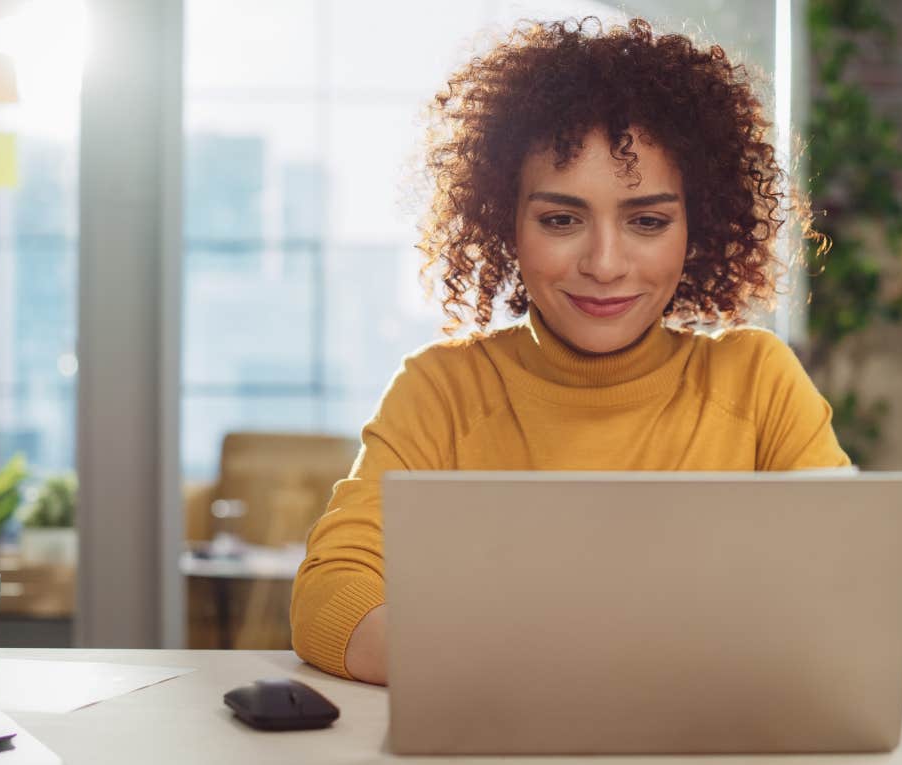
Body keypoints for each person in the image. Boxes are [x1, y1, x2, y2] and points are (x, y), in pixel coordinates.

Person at [290, 17, 850, 686]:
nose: (605, 264)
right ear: (507, 224)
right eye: (561, 219)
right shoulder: (441, 390)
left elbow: (862, 609)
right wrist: (540, 671)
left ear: (697, 228)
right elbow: (331, 595)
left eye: (648, 220)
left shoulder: (757, 383)